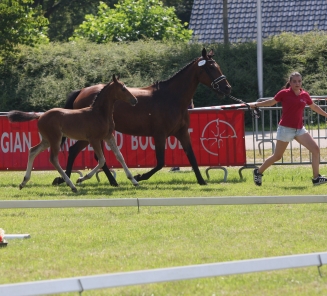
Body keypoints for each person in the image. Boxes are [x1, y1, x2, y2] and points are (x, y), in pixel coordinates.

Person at [250, 72, 327, 186]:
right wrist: (256, 104)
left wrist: (326, 114)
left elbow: (314, 107)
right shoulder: (284, 93)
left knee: (315, 149)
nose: (297, 83)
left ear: (301, 82)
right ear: (290, 83)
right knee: (277, 156)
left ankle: (316, 178)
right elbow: (271, 102)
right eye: (294, 81)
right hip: (285, 129)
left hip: (300, 129)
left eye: (299, 81)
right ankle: (258, 172)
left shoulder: (304, 95)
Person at [170, 99, 195, 172]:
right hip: (183, 122)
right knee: (183, 145)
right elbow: (191, 104)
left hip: (180, 123)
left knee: (180, 145)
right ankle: (176, 165)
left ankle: (176, 166)